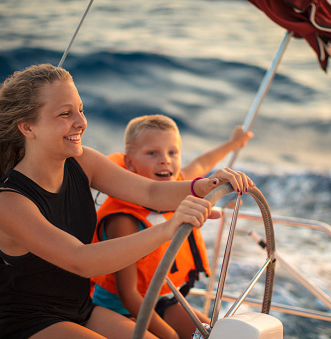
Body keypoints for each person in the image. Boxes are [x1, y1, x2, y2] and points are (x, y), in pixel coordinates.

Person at [0, 63, 254, 339]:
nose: (81, 122)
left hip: (79, 310)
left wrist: (205, 185)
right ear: (28, 128)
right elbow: (81, 260)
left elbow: (150, 193)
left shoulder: (83, 162)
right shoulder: (9, 203)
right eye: (65, 114)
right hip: (28, 323)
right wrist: (169, 228)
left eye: (80, 110)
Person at [91, 114, 253, 339]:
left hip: (159, 300)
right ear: (129, 163)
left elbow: (203, 163)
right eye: (152, 153)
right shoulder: (123, 220)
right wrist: (168, 334)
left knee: (220, 335)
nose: (165, 160)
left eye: (172, 152)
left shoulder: (177, 185)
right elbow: (127, 294)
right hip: (120, 310)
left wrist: (233, 143)